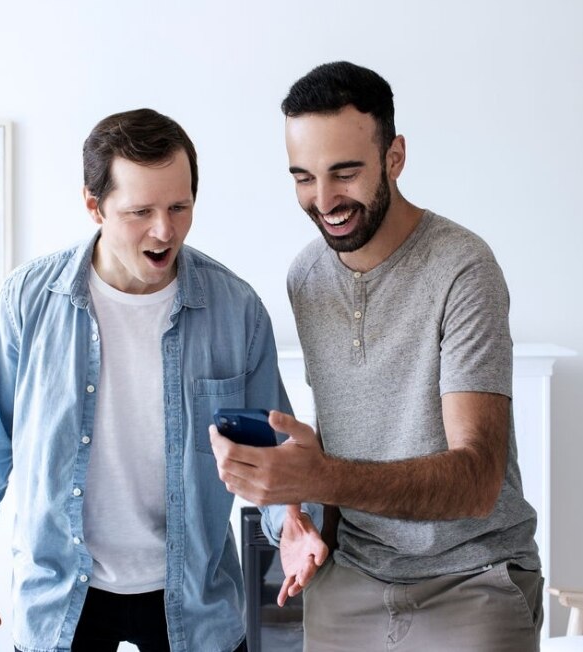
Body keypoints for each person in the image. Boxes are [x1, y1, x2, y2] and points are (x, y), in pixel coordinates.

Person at [0, 108, 320, 652]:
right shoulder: (29, 299)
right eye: (140, 211)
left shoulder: (235, 309)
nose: (164, 230)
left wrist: (291, 525)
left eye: (179, 206)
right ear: (93, 205)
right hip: (62, 590)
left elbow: (271, 448)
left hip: (192, 595)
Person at [210, 61, 544, 651]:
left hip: (471, 582)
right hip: (351, 582)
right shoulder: (306, 277)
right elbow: (348, 445)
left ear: (394, 157)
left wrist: (322, 474)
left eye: (345, 172)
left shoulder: (463, 268)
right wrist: (306, 521)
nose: (324, 200)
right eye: (303, 178)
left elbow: (476, 481)